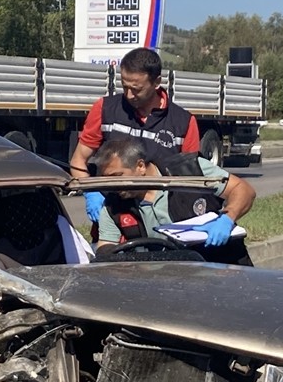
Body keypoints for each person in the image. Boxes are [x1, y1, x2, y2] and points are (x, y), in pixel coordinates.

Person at [69, 47, 203, 226]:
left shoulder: (183, 122)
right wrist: (90, 192)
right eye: (124, 86)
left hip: (163, 222)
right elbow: (78, 161)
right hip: (113, 217)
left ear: (156, 82)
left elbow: (192, 181)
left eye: (136, 89)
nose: (129, 95)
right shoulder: (105, 109)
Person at [93, 138, 256, 265]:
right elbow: (105, 245)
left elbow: (243, 190)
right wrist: (116, 259)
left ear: (140, 166)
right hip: (169, 279)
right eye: (107, 180)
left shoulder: (191, 169)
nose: (113, 185)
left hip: (223, 266)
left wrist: (228, 218)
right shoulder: (113, 203)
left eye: (117, 177)